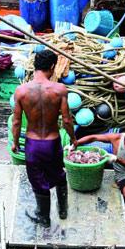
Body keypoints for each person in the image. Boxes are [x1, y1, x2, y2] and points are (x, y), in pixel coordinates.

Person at [12, 49, 76, 228]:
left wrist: (15, 143)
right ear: (53, 66)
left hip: (33, 144)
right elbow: (67, 119)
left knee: (38, 180)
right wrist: (73, 139)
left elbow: (16, 122)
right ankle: (63, 209)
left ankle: (44, 217)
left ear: (34, 66)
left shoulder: (21, 91)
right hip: (53, 142)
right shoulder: (59, 89)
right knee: (59, 174)